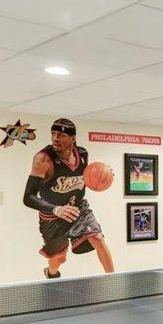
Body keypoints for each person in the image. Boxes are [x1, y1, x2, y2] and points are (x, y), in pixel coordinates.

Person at [22, 118, 114, 278]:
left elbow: (88, 177)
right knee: (60, 257)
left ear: (73, 138)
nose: (55, 138)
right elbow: (28, 197)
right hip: (52, 216)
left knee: (98, 238)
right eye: (53, 133)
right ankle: (51, 273)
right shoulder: (43, 159)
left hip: (78, 208)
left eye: (61, 135)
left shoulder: (83, 154)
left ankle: (114, 279)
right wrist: (56, 209)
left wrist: (104, 174)